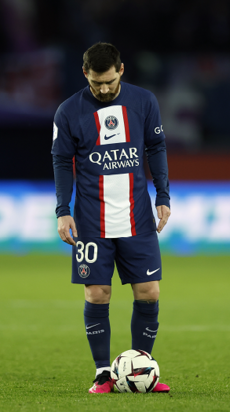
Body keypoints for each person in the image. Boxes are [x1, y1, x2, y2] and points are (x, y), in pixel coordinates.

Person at [51, 42, 171, 394]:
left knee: (149, 292)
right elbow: (62, 161)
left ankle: (142, 369)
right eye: (96, 83)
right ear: (84, 74)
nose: (103, 89)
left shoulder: (144, 101)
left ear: (121, 70)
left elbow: (156, 147)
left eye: (109, 82)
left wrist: (163, 196)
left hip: (137, 216)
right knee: (97, 293)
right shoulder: (68, 111)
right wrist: (63, 210)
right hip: (91, 219)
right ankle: (103, 373)